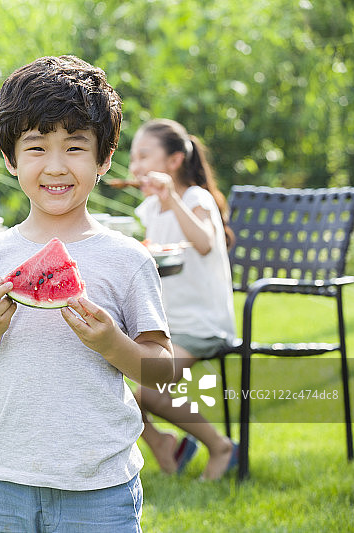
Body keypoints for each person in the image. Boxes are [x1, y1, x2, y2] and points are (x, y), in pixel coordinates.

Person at [0, 55, 174, 532]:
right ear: (10, 159)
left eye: (75, 147)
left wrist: (112, 344)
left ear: (104, 159)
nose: (55, 166)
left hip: (101, 485)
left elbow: (161, 373)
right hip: (6, 479)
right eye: (36, 148)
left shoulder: (128, 259)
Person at [130, 118, 238, 481]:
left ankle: (220, 446)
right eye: (133, 159)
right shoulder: (148, 210)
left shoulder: (195, 199)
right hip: (166, 325)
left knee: (147, 389)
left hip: (200, 324)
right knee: (112, 380)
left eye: (144, 156)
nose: (136, 167)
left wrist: (171, 198)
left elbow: (206, 242)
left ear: (173, 161)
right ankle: (162, 443)